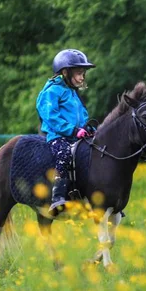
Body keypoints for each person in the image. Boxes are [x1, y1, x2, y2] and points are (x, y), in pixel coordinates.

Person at [36, 49, 96, 216]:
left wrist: (88, 129)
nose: (82, 77)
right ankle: (58, 197)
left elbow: (83, 115)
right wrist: (73, 130)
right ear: (65, 72)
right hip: (59, 136)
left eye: (83, 74)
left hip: (75, 135)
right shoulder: (52, 91)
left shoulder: (73, 93)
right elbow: (50, 116)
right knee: (64, 154)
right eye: (79, 73)